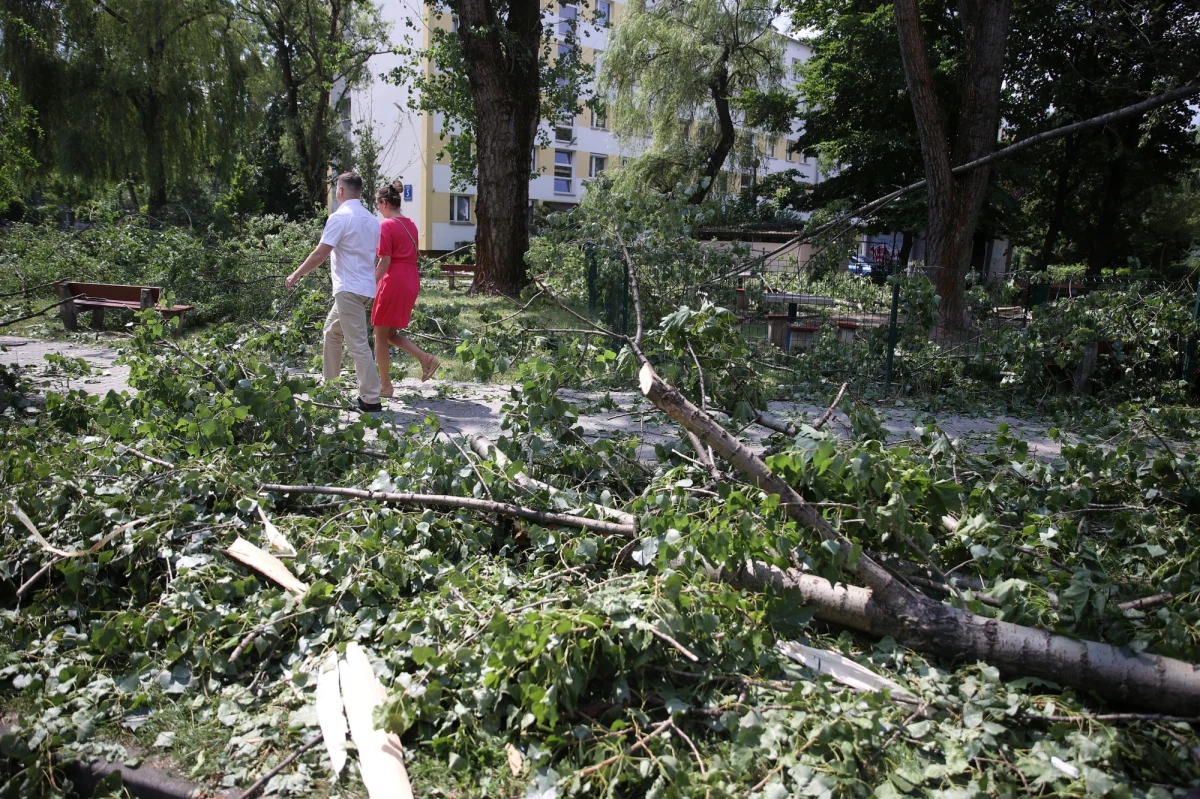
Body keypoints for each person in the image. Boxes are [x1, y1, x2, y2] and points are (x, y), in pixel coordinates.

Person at [286, 172, 383, 413]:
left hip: (349, 290)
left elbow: (320, 254)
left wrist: (296, 274)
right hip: (365, 289)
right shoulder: (372, 220)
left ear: (340, 190)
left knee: (358, 344)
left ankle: (371, 399)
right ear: (359, 191)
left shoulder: (340, 218)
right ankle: (330, 387)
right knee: (331, 331)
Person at [372, 181, 440, 396]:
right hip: (411, 279)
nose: (378, 211)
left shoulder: (386, 226)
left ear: (384, 203)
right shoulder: (410, 224)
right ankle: (426, 358)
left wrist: (369, 283)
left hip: (394, 280)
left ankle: (385, 386)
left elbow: (384, 260)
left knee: (379, 335)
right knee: (390, 333)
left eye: (377, 206)